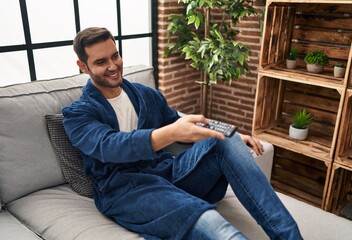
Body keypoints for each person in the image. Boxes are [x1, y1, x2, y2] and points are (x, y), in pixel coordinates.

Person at [62, 27, 303, 240]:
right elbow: (110, 145)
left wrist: (230, 133)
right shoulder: (78, 114)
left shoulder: (146, 95)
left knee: (225, 138)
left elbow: (178, 120)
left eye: (115, 56)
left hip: (166, 173)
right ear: (83, 66)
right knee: (216, 225)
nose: (113, 66)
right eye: (101, 62)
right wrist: (168, 133)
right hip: (126, 191)